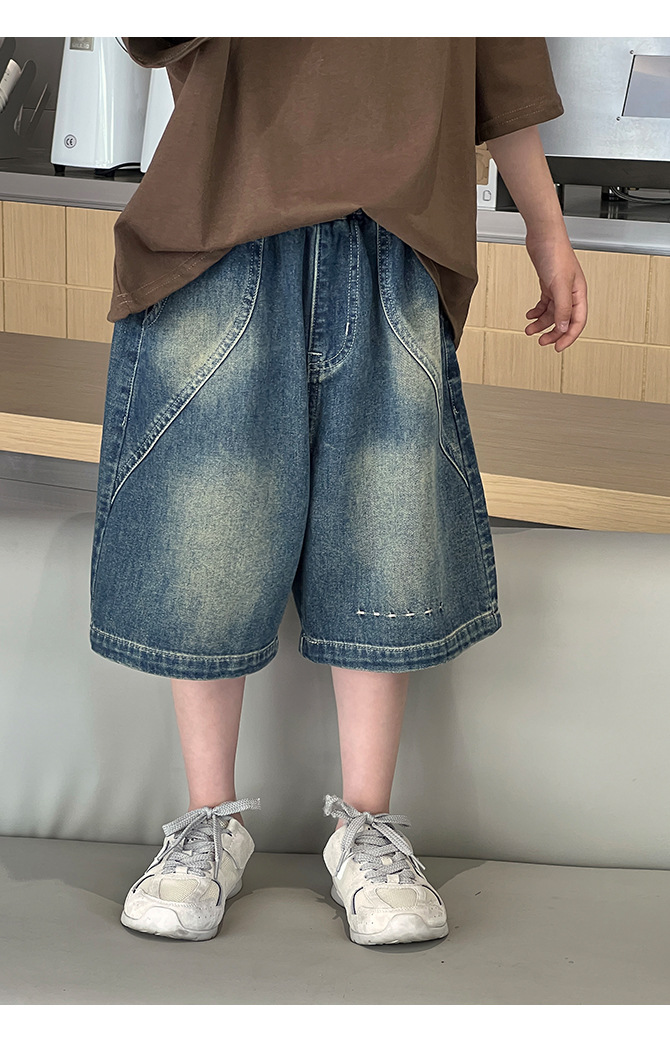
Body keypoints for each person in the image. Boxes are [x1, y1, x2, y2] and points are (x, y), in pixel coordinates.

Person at [89, 37, 588, 946]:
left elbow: (503, 60)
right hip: (220, 227)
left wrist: (547, 229)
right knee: (208, 537)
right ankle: (207, 822)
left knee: (384, 536)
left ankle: (369, 831)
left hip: (400, 234)